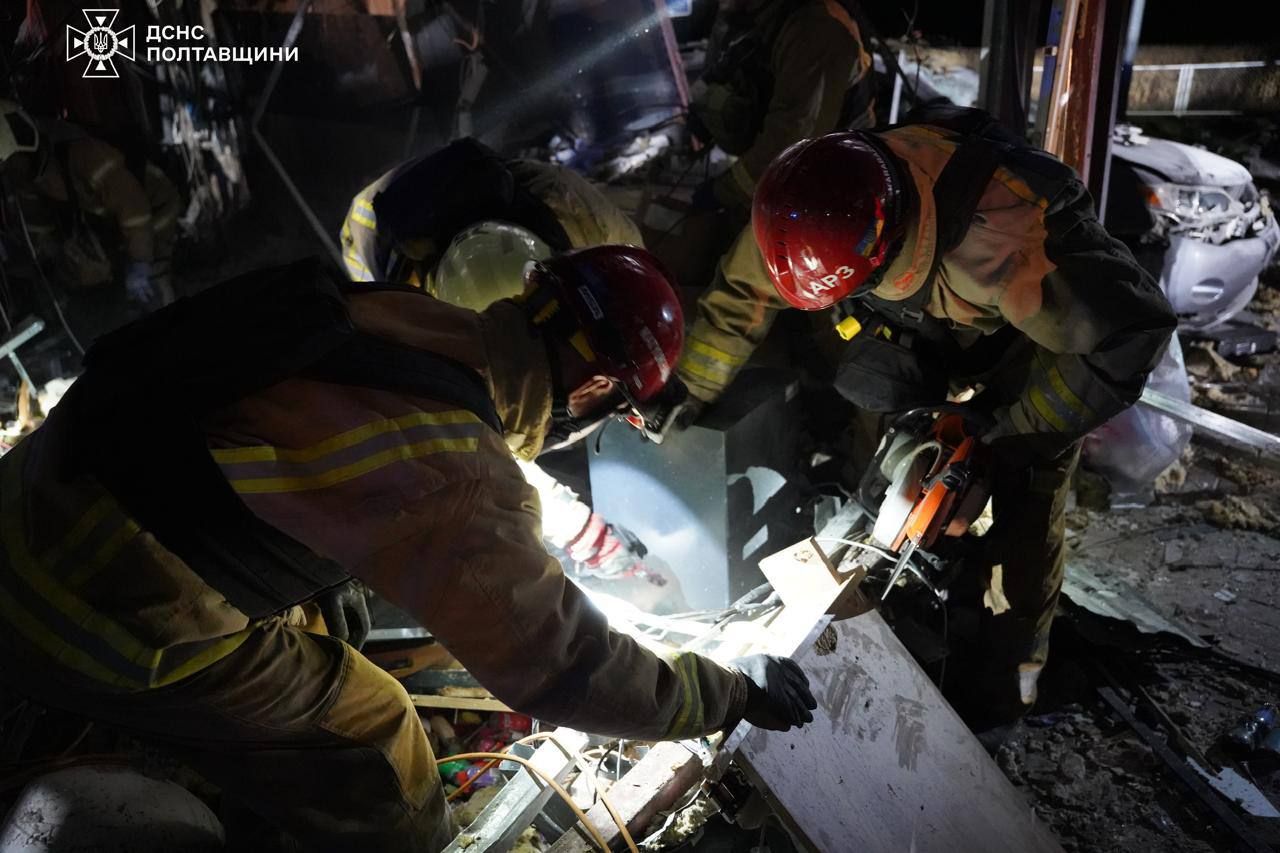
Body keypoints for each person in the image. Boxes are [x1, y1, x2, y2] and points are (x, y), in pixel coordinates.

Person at [0, 248, 816, 852]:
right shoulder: (463, 471)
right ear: (597, 389)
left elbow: (279, 434)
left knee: (324, 621)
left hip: (30, 494)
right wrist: (728, 691)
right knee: (376, 732)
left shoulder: (400, 318)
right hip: (86, 607)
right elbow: (565, 664)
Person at [675, 106, 1177, 729]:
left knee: (1023, 511)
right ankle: (885, 599)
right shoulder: (801, 211)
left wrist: (1009, 433)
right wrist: (687, 390)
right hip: (929, 324)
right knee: (876, 415)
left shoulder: (1009, 241)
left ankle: (1006, 694)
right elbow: (743, 292)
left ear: (886, 252)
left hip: (1033, 351)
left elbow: (1132, 334)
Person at [340, 139, 684, 612]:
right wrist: (589, 539)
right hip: (377, 230)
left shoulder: (603, 241)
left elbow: (641, 307)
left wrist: (649, 373)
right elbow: (483, 442)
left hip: (491, 201)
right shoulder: (411, 341)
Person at [686, 0, 875, 213]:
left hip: (833, 178)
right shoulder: (755, 11)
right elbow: (729, 68)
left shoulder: (815, 29)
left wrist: (724, 191)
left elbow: (793, 138)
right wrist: (705, 114)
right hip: (785, 165)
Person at [0, 99, 180, 308]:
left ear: (23, 146)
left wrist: (141, 262)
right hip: (113, 220)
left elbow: (133, 206)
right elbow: (40, 233)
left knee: (154, 284)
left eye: (10, 165)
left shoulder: (83, 154)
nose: (10, 174)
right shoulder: (30, 181)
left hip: (154, 206)